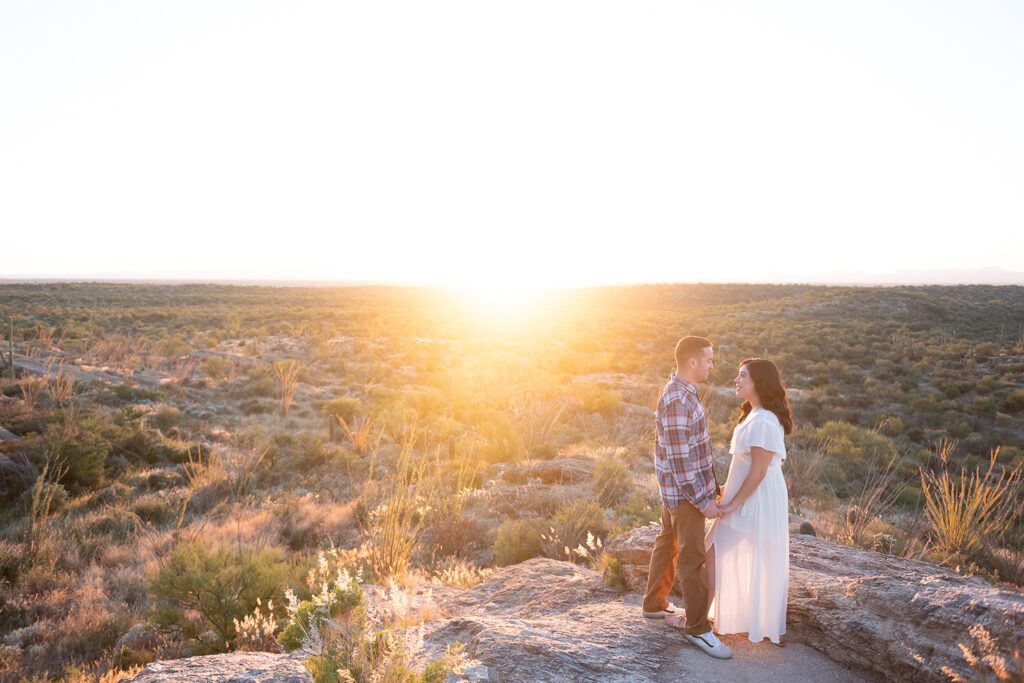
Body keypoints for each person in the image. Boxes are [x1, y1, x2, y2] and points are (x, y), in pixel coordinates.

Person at [642, 336, 732, 660]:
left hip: (676, 492)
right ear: (692, 361)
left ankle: (654, 604)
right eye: (708, 359)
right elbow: (682, 462)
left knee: (667, 543)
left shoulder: (682, 394)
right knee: (693, 559)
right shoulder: (678, 399)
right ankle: (698, 629)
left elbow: (693, 454)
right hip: (684, 497)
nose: (711, 364)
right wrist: (703, 501)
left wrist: (713, 487)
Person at [704, 358, 793, 646]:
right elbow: (742, 467)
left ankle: (699, 620)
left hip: (757, 499)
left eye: (743, 376)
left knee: (714, 551)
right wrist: (724, 490)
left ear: (759, 382)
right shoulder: (752, 416)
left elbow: (758, 471)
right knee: (712, 550)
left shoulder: (765, 420)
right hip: (745, 495)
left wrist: (733, 504)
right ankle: (706, 617)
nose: (736, 380)